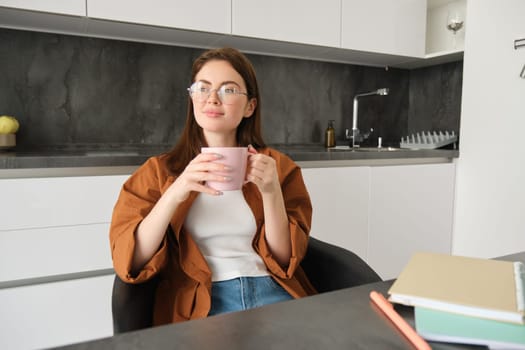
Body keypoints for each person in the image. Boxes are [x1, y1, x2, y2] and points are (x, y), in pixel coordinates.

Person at [109, 47, 316, 325]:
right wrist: (175, 192)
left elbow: (284, 259)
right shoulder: (159, 172)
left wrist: (271, 192)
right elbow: (130, 261)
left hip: (272, 290)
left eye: (229, 90)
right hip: (203, 302)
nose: (212, 98)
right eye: (202, 88)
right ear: (192, 97)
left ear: (250, 106)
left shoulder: (278, 167)